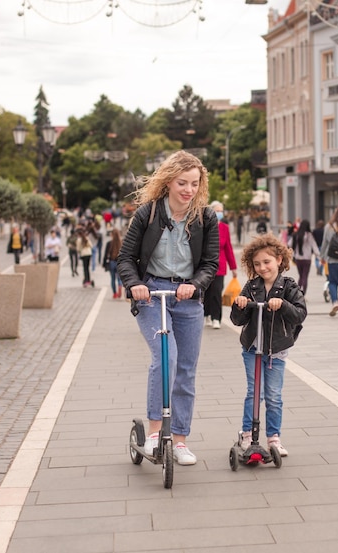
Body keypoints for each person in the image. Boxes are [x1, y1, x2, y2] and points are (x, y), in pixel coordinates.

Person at [117, 150, 219, 466]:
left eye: (193, 184)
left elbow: (210, 263)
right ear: (168, 182)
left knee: (186, 369)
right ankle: (153, 433)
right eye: (182, 183)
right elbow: (125, 259)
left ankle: (179, 440)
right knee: (166, 356)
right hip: (151, 294)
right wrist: (135, 285)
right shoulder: (147, 213)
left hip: (188, 297)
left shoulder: (205, 217)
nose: (188, 190)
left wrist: (197, 284)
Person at [230, 233, 307, 456]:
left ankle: (273, 437)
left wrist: (282, 304)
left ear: (279, 260)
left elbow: (300, 315)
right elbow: (238, 320)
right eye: (257, 264)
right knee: (254, 393)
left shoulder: (289, 286)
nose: (262, 268)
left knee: (273, 395)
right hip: (252, 349)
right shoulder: (251, 287)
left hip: (277, 350)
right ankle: (246, 434)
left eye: (267, 262)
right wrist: (241, 305)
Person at [204, 201, 237, 329]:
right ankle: (206, 314)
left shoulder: (224, 228)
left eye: (221, 210)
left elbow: (228, 247)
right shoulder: (205, 226)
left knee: (217, 292)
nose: (219, 213)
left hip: (220, 266)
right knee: (207, 292)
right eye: (217, 210)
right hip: (206, 265)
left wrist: (233, 267)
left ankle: (216, 318)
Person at [291, 219, 319, 295]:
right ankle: (303, 293)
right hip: (307, 259)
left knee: (300, 276)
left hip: (298, 258)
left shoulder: (296, 234)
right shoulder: (309, 235)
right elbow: (314, 246)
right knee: (305, 276)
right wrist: (318, 255)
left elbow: (290, 244)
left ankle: (297, 293)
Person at [103, 228, 123, 298]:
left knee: (112, 279)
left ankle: (114, 293)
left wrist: (104, 264)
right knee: (119, 278)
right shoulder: (121, 243)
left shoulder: (109, 243)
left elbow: (106, 254)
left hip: (111, 262)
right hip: (119, 263)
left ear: (112, 235)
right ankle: (120, 286)